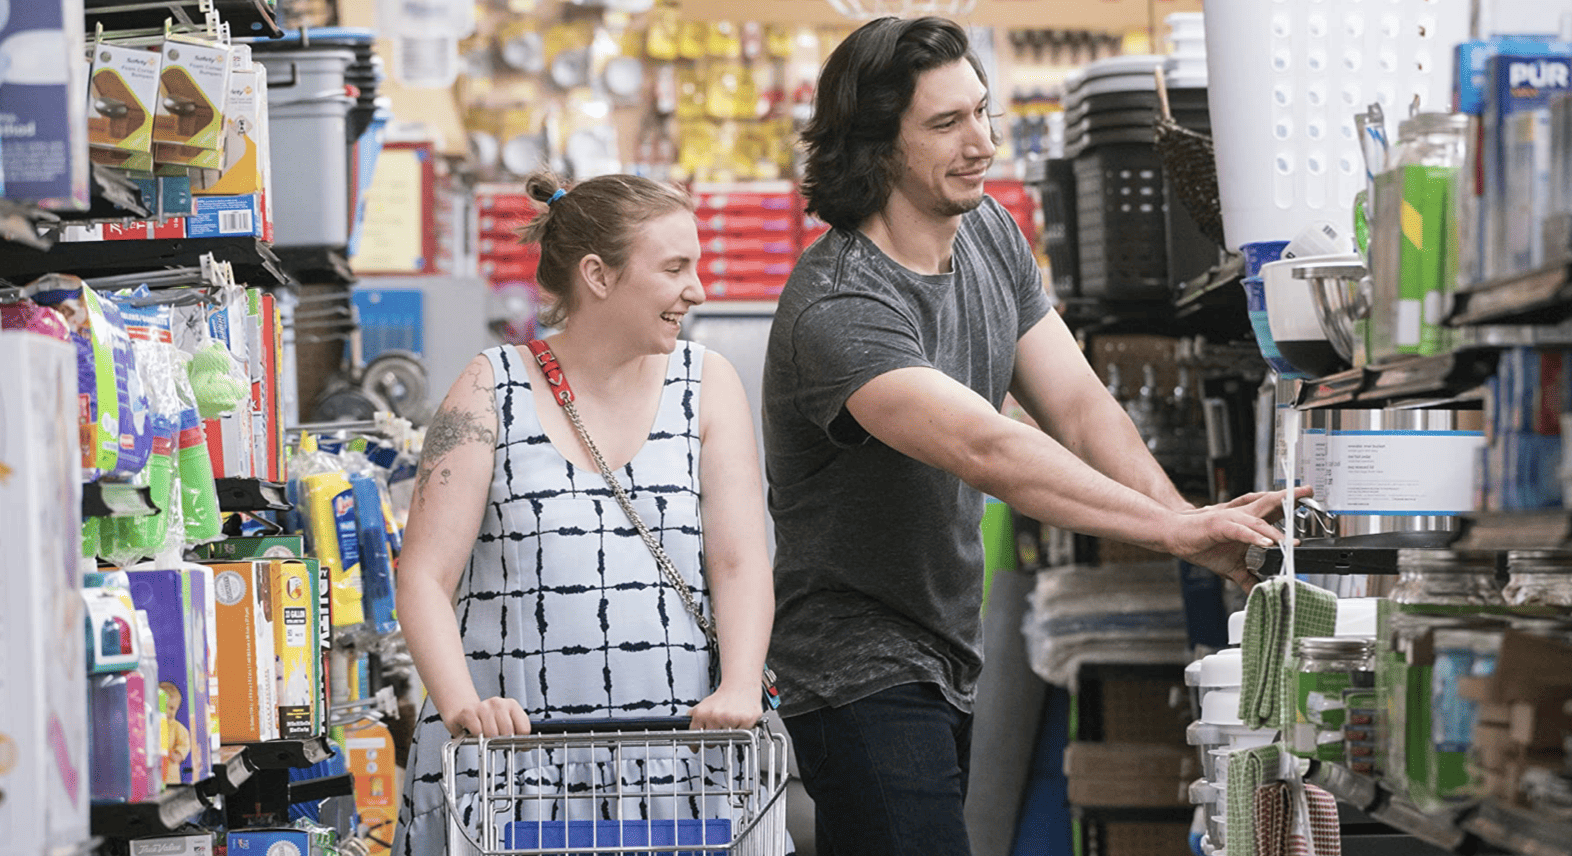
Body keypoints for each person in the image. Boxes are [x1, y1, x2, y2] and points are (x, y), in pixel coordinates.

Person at [761, 17, 1308, 856]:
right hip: (853, 661)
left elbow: (1081, 406)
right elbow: (990, 448)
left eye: (984, 113)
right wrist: (1169, 529)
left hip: (944, 643)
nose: (981, 142)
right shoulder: (839, 309)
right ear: (875, 146)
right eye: (946, 125)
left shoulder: (988, 236)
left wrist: (1185, 523)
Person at [393, 171, 775, 854]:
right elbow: (423, 575)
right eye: (675, 267)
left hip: (677, 760)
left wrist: (742, 682)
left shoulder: (707, 383)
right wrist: (462, 706)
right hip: (511, 772)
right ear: (598, 275)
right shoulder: (489, 388)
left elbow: (739, 560)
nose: (699, 289)